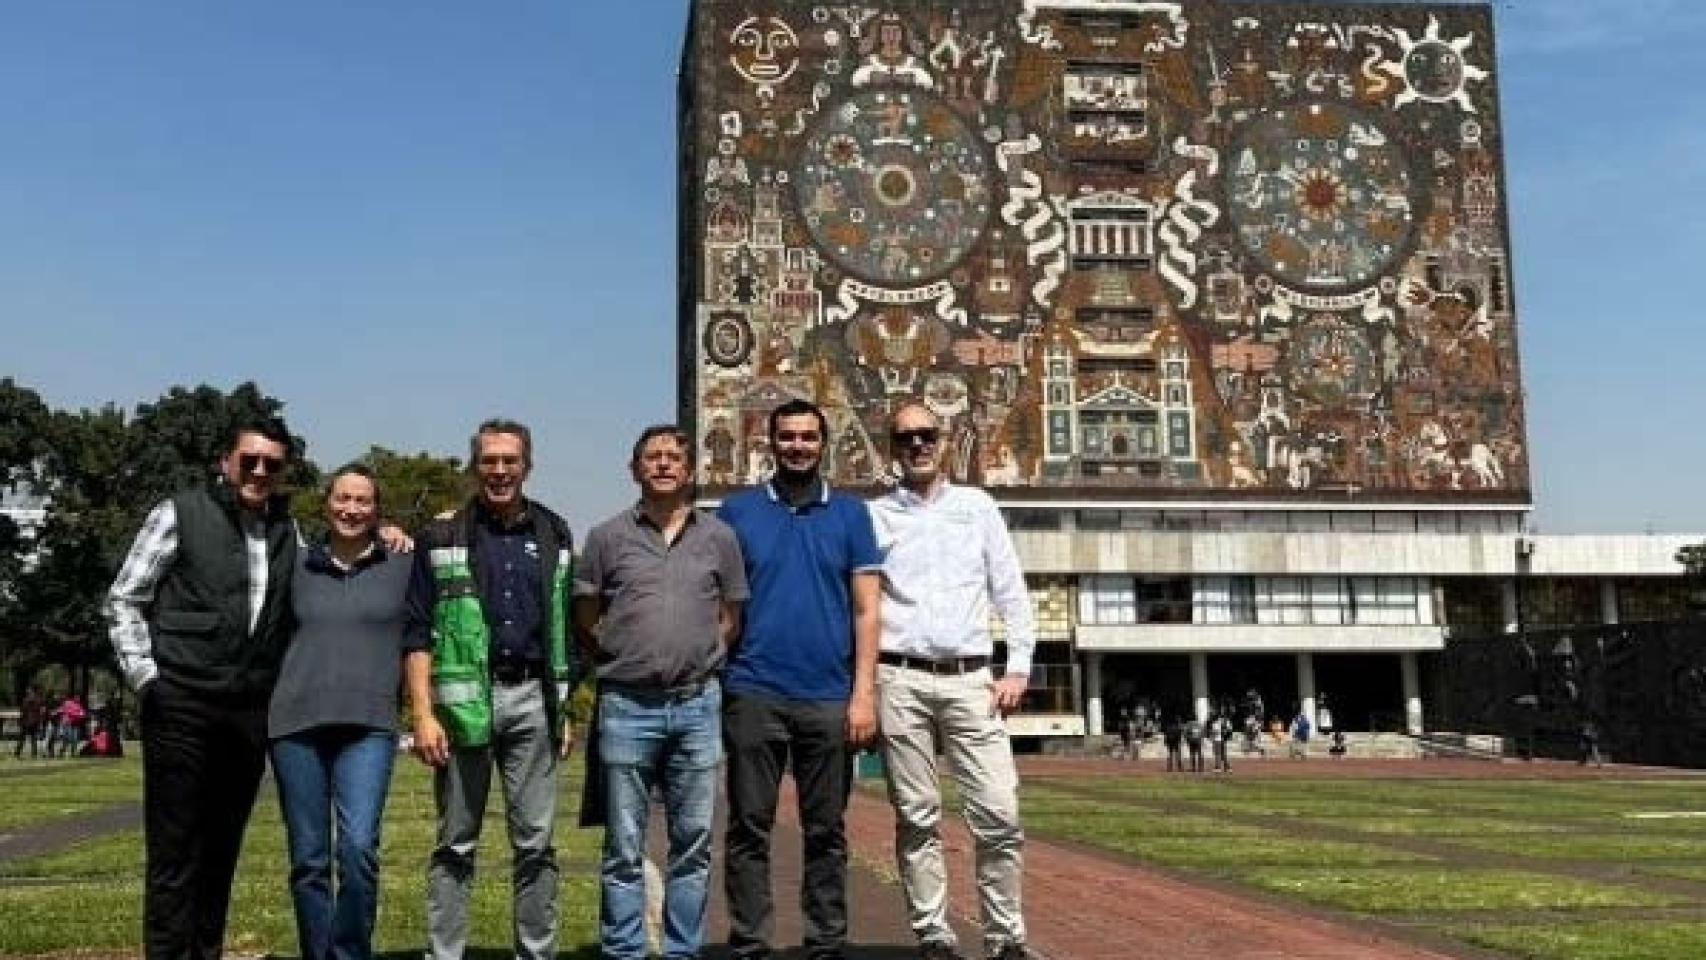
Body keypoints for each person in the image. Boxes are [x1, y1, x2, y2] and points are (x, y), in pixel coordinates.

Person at [106, 417, 302, 960]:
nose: (259, 472)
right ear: (226, 462)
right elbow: (125, 599)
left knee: (222, 848)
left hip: (247, 712)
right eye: (250, 460)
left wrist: (387, 534)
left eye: (272, 465)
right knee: (174, 850)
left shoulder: (289, 533)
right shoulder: (179, 514)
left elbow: (329, 575)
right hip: (181, 704)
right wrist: (147, 677)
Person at [405, 419, 580, 960]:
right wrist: (423, 713)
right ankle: (446, 953)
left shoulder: (555, 531)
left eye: (510, 461)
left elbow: (563, 627)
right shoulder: (441, 535)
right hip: (461, 709)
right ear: (474, 465)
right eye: (489, 460)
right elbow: (416, 628)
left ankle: (535, 952)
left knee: (536, 846)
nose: (500, 471)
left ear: (528, 465)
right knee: (455, 843)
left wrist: (562, 707)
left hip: (534, 701)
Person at [868, 402, 1036, 960]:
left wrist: (1017, 667)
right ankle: (934, 934)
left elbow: (1010, 590)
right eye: (905, 438)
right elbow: (861, 603)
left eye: (926, 435)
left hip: (971, 678)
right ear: (891, 449)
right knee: (917, 816)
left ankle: (1006, 937)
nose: (917, 445)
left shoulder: (977, 507)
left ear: (943, 442)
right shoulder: (875, 516)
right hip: (900, 675)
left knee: (998, 815)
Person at [573, 425, 748, 960]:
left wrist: (697, 655)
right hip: (627, 706)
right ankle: (624, 950)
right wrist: (623, 651)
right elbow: (585, 612)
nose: (664, 465)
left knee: (693, 843)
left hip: (697, 705)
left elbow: (731, 615)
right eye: (653, 457)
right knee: (624, 845)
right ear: (635, 470)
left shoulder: (719, 537)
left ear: (689, 470)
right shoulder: (607, 537)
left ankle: (681, 949)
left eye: (674, 457)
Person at [717, 399, 880, 960]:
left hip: (828, 696)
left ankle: (825, 943)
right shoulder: (736, 513)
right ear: (770, 442)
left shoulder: (852, 515)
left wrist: (864, 694)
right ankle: (750, 943)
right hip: (753, 688)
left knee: (826, 831)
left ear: (823, 443)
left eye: (808, 437)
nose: (798, 446)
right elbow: (720, 603)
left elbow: (867, 610)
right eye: (787, 437)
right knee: (747, 829)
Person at [268, 464, 414, 960]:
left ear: (377, 510)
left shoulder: (402, 563)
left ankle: (350, 951)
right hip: (295, 725)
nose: (351, 509)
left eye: (363, 501)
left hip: (369, 726)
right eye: (342, 499)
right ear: (326, 504)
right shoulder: (297, 564)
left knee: (357, 850)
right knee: (308, 859)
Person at [13, 686, 43, 759]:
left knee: (23, 738)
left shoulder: (25, 701)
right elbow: (39, 713)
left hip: (26, 722)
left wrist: (20, 721)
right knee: (33, 739)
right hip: (33, 722)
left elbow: (23, 712)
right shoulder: (37, 701)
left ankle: (18, 752)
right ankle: (33, 754)